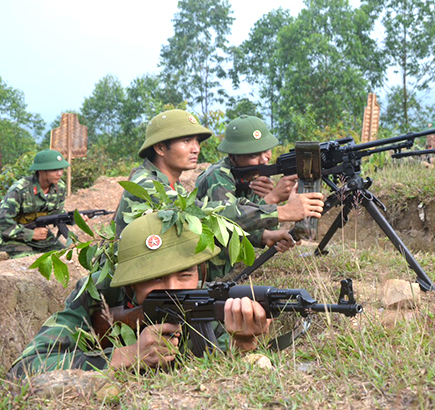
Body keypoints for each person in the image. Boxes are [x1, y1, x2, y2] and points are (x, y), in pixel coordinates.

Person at [8, 211, 270, 378]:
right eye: (154, 277)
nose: (173, 288)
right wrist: (128, 355)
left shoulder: (205, 301)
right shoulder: (98, 295)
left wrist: (243, 343)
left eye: (184, 274)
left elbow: (221, 369)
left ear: (201, 273)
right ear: (129, 285)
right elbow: (24, 368)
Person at [195, 115, 325, 279]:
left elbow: (257, 227)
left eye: (267, 150)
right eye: (254, 154)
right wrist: (272, 200)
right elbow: (226, 225)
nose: (265, 158)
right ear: (233, 156)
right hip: (207, 273)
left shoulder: (252, 173)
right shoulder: (218, 177)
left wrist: (268, 236)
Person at [113, 109, 213, 236]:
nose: (196, 149)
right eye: (187, 141)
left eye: (197, 141)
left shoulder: (171, 181)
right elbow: (199, 210)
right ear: (160, 148)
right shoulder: (147, 184)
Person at [0, 149, 70, 259]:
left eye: (61, 168)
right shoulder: (20, 190)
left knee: (64, 256)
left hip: (43, 238)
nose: (59, 173)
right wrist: (30, 234)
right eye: (54, 169)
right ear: (41, 171)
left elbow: (57, 213)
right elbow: (3, 222)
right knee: (30, 261)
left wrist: (75, 218)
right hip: (14, 238)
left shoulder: (59, 187)